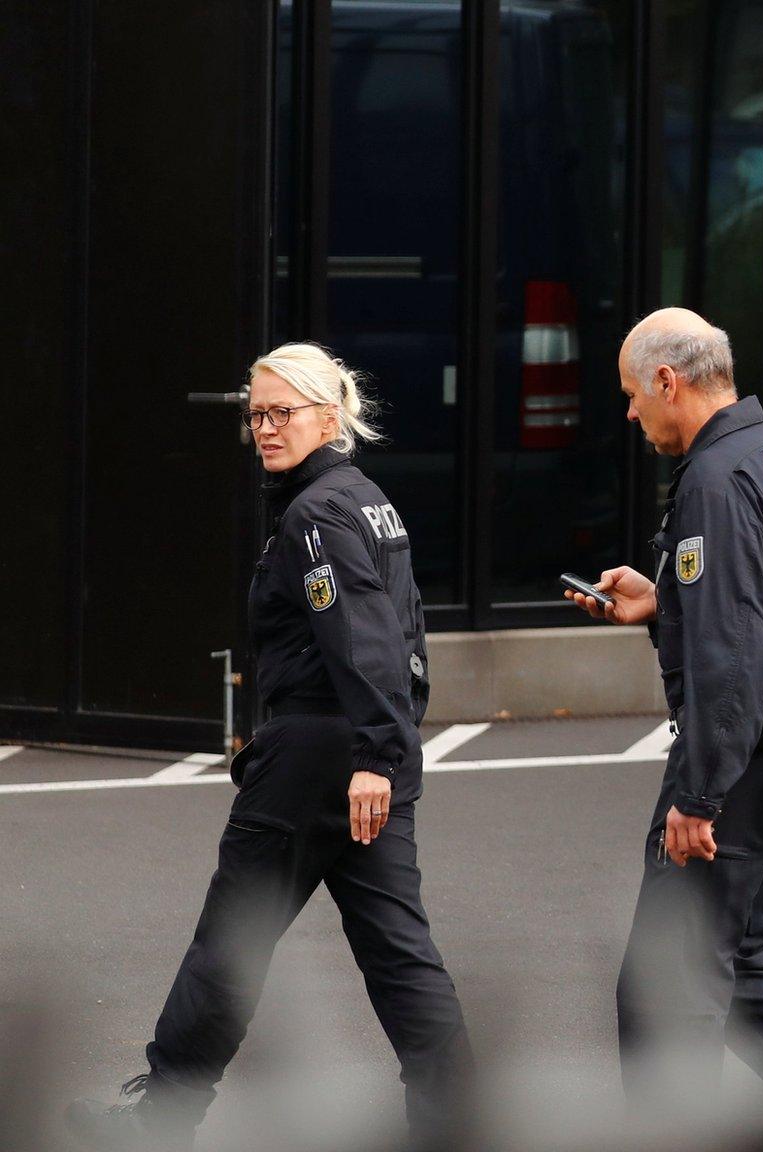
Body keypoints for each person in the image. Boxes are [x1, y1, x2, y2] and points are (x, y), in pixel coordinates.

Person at [68, 344, 471, 1149]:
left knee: (231, 943)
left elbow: (368, 645)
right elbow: (404, 636)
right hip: (367, 756)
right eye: (255, 414)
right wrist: (388, 754)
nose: (265, 428)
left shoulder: (316, 514)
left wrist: (370, 758)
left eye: (282, 411)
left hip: (326, 761)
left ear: (330, 412)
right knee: (400, 955)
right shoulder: (366, 500)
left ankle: (161, 1120)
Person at [565, 308, 763, 1107]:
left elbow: (733, 652)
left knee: (666, 984)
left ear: (667, 380)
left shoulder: (715, 480)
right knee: (739, 963)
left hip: (747, 749)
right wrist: (667, 602)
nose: (629, 414)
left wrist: (699, 795)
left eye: (630, 394)